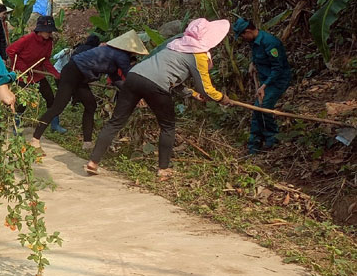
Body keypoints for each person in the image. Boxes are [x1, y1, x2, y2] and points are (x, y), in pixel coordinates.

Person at [86, 19, 232, 179]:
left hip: (134, 77)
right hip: (156, 86)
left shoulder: (176, 45)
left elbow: (173, 79)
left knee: (116, 122)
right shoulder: (200, 56)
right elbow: (206, 88)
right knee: (168, 126)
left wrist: (193, 94)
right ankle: (163, 169)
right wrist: (222, 98)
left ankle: (93, 162)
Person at [30, 30, 148, 150]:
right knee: (58, 107)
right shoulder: (121, 55)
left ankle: (87, 142)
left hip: (81, 77)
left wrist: (129, 92)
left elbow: (116, 79)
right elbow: (129, 75)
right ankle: (35, 138)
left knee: (91, 105)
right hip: (73, 72)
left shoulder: (112, 53)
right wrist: (137, 93)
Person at [233, 17, 293, 154]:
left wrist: (264, 86)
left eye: (242, 35)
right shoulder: (253, 41)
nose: (242, 39)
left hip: (277, 81)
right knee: (257, 109)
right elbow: (257, 56)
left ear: (248, 31)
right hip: (265, 79)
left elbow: (277, 69)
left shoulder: (270, 43)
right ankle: (254, 144)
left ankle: (272, 138)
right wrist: (252, 63)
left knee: (263, 107)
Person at [6, 15, 64, 133]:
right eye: (47, 31)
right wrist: (24, 68)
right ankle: (16, 126)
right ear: (40, 30)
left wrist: (55, 73)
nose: (49, 33)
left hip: (38, 74)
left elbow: (45, 60)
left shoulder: (48, 42)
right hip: (23, 75)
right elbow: (10, 50)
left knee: (50, 98)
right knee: (23, 102)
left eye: (50, 31)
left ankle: (55, 124)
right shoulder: (27, 39)